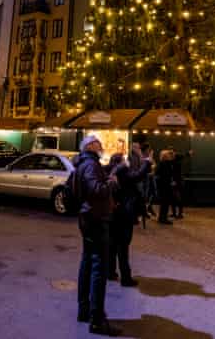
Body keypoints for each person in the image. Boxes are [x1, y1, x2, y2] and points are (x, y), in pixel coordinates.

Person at [73, 134, 120, 336]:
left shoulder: (84, 163)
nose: (101, 146)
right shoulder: (91, 165)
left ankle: (84, 311)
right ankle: (97, 320)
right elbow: (96, 189)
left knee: (87, 263)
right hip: (95, 219)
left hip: (87, 217)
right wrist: (111, 183)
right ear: (90, 145)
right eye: (98, 143)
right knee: (98, 268)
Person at [106, 149, 152, 287]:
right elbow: (138, 175)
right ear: (120, 162)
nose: (127, 161)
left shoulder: (109, 172)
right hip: (124, 215)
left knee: (112, 245)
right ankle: (126, 278)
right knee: (123, 246)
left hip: (111, 215)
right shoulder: (122, 173)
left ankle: (110, 272)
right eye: (124, 159)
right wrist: (147, 161)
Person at [155, 149, 175, 225]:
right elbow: (167, 175)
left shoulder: (161, 163)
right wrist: (170, 182)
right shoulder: (166, 164)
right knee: (165, 203)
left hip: (162, 185)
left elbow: (157, 173)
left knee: (164, 203)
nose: (170, 156)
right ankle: (163, 218)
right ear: (166, 156)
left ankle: (162, 218)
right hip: (166, 186)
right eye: (168, 155)